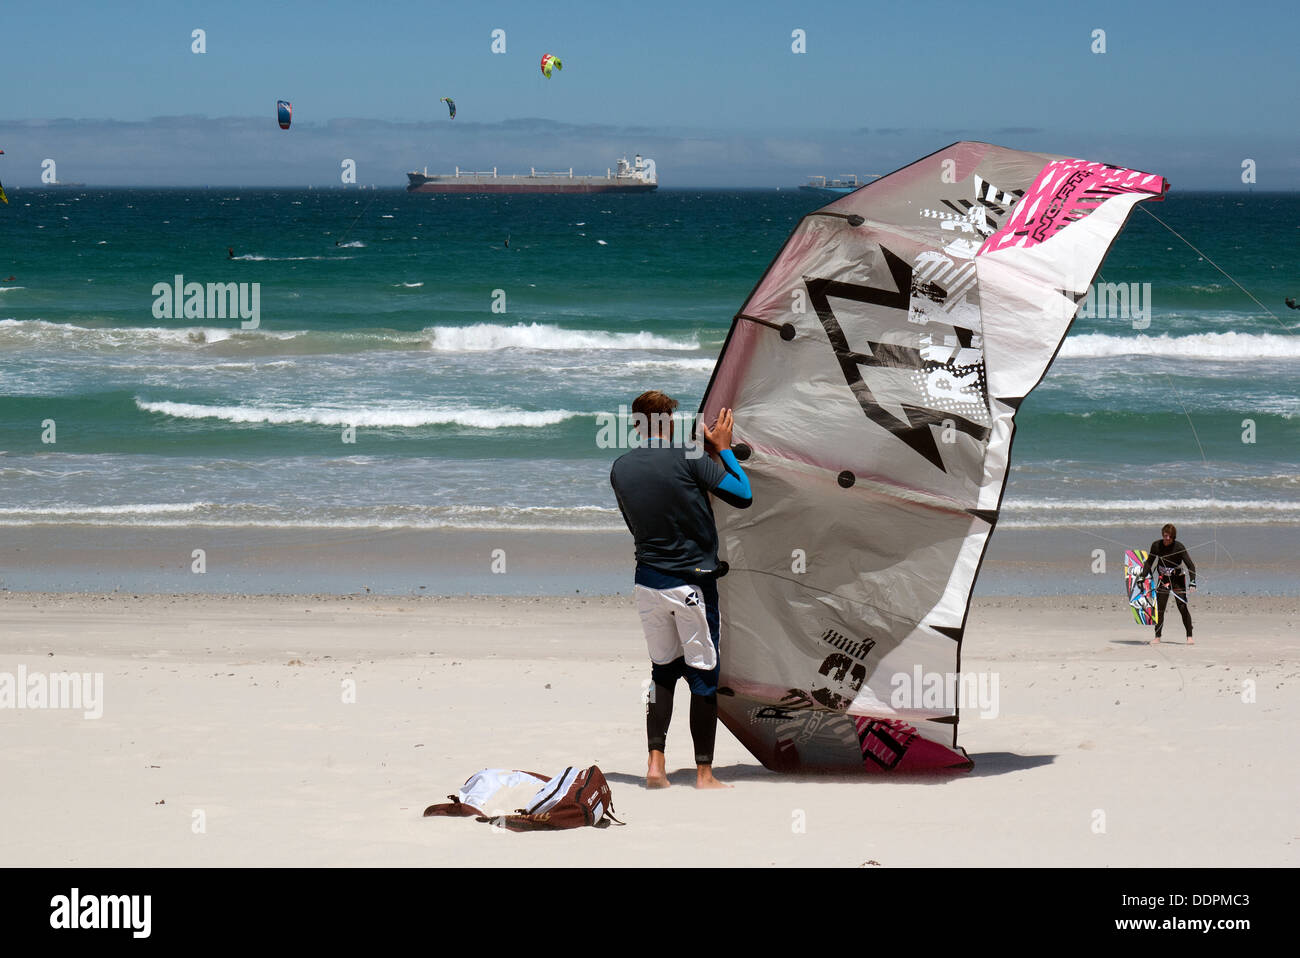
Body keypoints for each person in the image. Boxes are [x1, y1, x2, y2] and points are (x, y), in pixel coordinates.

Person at [609, 391, 753, 789]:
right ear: (669, 422)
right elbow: (743, 495)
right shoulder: (689, 457)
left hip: (647, 584)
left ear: (637, 425)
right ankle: (704, 774)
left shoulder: (620, 468)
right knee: (704, 675)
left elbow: (635, 526)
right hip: (691, 584)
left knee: (662, 674)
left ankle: (656, 766)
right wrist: (722, 451)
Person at [1139, 523, 1196, 644]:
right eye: (1165, 536)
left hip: (1178, 580)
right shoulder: (1156, 546)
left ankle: (1189, 636)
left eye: (1170, 536)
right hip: (1164, 579)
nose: (1167, 539)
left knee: (1182, 606)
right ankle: (1157, 636)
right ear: (1163, 535)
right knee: (1160, 608)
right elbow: (1149, 563)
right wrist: (1142, 576)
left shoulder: (1179, 547)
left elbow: (1190, 565)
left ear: (1173, 537)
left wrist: (1192, 581)